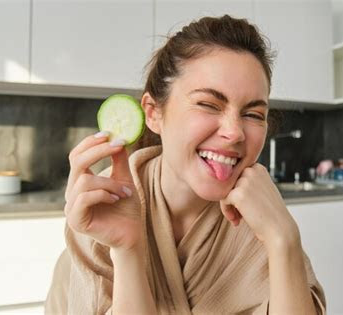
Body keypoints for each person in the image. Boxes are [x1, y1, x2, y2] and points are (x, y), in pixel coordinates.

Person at [45, 15, 326, 314]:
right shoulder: (103, 204)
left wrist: (284, 239)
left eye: (254, 114)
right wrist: (127, 250)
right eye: (208, 104)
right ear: (153, 113)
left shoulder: (262, 218)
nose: (234, 132)